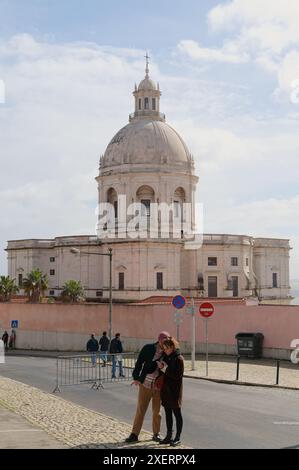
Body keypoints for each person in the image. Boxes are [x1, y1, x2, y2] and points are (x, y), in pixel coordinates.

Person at [125, 331, 170, 444]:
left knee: (157, 412)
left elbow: (171, 366)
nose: (165, 343)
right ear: (159, 340)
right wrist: (136, 377)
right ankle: (134, 434)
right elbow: (139, 362)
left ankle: (156, 433)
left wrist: (163, 366)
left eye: (167, 341)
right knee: (141, 410)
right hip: (145, 384)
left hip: (158, 387)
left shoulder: (168, 352)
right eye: (164, 341)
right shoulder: (148, 348)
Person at [157, 337, 184, 446]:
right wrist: (161, 367)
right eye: (164, 348)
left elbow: (177, 376)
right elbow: (163, 373)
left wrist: (164, 368)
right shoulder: (165, 357)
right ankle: (169, 436)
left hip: (175, 390)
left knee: (177, 413)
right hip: (165, 390)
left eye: (167, 348)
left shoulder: (179, 359)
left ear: (172, 347)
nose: (165, 350)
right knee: (168, 413)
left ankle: (177, 437)